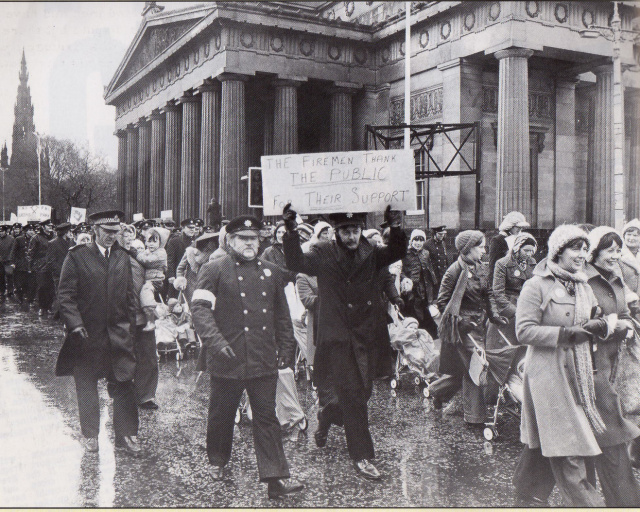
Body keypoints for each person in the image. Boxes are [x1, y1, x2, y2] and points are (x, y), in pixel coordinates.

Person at [515, 224, 640, 506]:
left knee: (572, 446)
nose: (582, 254)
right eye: (576, 248)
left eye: (585, 249)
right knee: (567, 451)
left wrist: (601, 324)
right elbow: (523, 331)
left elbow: (594, 318)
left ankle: (527, 495)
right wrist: (567, 334)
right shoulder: (536, 285)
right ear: (558, 251)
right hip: (549, 375)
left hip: (581, 375)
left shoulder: (580, 285)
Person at [282, 205, 407, 480]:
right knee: (353, 395)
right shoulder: (322, 252)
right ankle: (362, 456)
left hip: (366, 333)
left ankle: (328, 415)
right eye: (345, 231)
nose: (351, 236)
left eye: (355, 230)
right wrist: (290, 231)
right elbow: (295, 263)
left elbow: (396, 252)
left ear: (361, 230)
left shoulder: (371, 252)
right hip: (337, 335)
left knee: (362, 392)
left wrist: (394, 228)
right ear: (336, 232)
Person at [190, 215, 303, 499]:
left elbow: (282, 315)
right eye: (243, 238)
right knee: (222, 413)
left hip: (263, 356)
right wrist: (215, 342)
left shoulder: (271, 271)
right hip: (227, 356)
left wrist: (286, 349)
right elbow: (200, 309)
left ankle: (275, 478)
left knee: (267, 417)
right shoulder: (213, 269)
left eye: (254, 238)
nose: (250, 243)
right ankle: (217, 459)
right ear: (230, 241)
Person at [57, 210, 140, 454]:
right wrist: (76, 324)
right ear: (95, 230)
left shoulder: (123, 257)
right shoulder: (77, 257)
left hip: (118, 334)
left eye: (116, 232)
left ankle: (126, 436)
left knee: (124, 383)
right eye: (107, 232)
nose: (112, 237)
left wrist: (131, 328)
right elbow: (66, 296)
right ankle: (90, 434)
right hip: (87, 336)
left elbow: (129, 296)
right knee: (87, 385)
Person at [429, 230, 504, 423]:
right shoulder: (454, 270)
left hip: (480, 325)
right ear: (468, 248)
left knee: (463, 369)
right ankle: (475, 417)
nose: (484, 250)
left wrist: (495, 316)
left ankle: (436, 391)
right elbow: (442, 302)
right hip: (462, 329)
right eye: (480, 246)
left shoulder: (481, 267)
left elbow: (488, 295)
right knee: (476, 366)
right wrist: (461, 321)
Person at [118, 225, 159, 411]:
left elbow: (155, 276)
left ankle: (146, 396)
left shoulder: (139, 257)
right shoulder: (110, 258)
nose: (127, 239)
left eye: (130, 236)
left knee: (148, 356)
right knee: (124, 356)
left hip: (142, 315)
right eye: (122, 236)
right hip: (121, 316)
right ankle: (125, 394)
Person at [486, 232, 537, 349]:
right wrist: (515, 311)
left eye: (531, 251)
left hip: (527, 304)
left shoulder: (532, 263)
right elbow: (498, 293)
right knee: (504, 344)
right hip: (507, 306)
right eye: (526, 250)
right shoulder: (502, 264)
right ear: (517, 248)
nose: (529, 254)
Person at [401, 229, 438, 338]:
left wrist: (433, 292)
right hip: (409, 292)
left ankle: (426, 339)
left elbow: (430, 272)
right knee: (412, 316)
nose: (418, 243)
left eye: (421, 240)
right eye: (416, 240)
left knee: (425, 317)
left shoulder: (426, 253)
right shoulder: (405, 254)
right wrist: (404, 279)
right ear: (411, 241)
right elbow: (400, 270)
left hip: (424, 291)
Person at [134, 227, 170, 331]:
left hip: (155, 280)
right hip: (149, 278)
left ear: (161, 242)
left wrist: (136, 253)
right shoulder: (148, 251)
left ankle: (150, 320)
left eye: (154, 241)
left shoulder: (161, 253)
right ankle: (156, 315)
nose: (151, 244)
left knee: (146, 292)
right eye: (148, 241)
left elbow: (147, 260)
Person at [173, 230, 219, 304]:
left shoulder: (215, 255)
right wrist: (181, 280)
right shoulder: (190, 252)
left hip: (206, 285)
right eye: (209, 242)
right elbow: (180, 268)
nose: (211, 244)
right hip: (191, 283)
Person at [488, 211, 530, 285]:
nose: (520, 229)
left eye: (521, 227)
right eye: (517, 227)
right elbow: (493, 265)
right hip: (502, 280)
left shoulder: (518, 240)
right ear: (510, 226)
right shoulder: (498, 240)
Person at [45, 222, 74, 319]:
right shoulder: (53, 243)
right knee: (60, 293)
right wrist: (59, 271)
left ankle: (63, 313)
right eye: (70, 231)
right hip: (59, 273)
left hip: (71, 272)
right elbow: (50, 260)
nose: (71, 233)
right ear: (66, 232)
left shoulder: (71, 242)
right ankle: (58, 314)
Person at [28, 218, 56, 316]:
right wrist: (30, 267)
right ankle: (41, 307)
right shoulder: (36, 238)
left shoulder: (55, 236)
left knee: (51, 287)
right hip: (40, 266)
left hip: (52, 265)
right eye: (48, 226)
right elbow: (31, 253)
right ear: (43, 227)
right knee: (42, 287)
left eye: (51, 226)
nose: (50, 227)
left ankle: (49, 306)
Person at [166, 218, 198, 298]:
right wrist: (171, 275)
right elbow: (170, 260)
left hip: (192, 277)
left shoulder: (197, 242)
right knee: (175, 302)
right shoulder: (174, 241)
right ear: (183, 228)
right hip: (178, 276)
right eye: (189, 228)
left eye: (193, 228)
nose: (192, 230)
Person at [13, 222, 37, 307]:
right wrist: (14, 263)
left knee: (31, 283)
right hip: (21, 265)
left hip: (32, 265)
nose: (32, 232)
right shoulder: (19, 239)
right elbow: (14, 252)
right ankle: (20, 297)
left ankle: (29, 300)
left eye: (33, 230)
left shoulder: (35, 239)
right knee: (20, 283)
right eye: (30, 230)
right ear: (26, 231)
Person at [620, 219, 640, 297]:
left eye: (635, 235)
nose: (631, 238)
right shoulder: (618, 255)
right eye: (629, 234)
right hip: (625, 299)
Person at [0, 225, 16, 301]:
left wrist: (11, 260)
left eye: (2, 231)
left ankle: (10, 291)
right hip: (0, 261)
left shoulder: (11, 239)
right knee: (1, 276)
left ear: (6, 231)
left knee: (9, 276)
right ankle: (2, 291)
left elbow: (13, 250)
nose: (1, 233)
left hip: (8, 261)